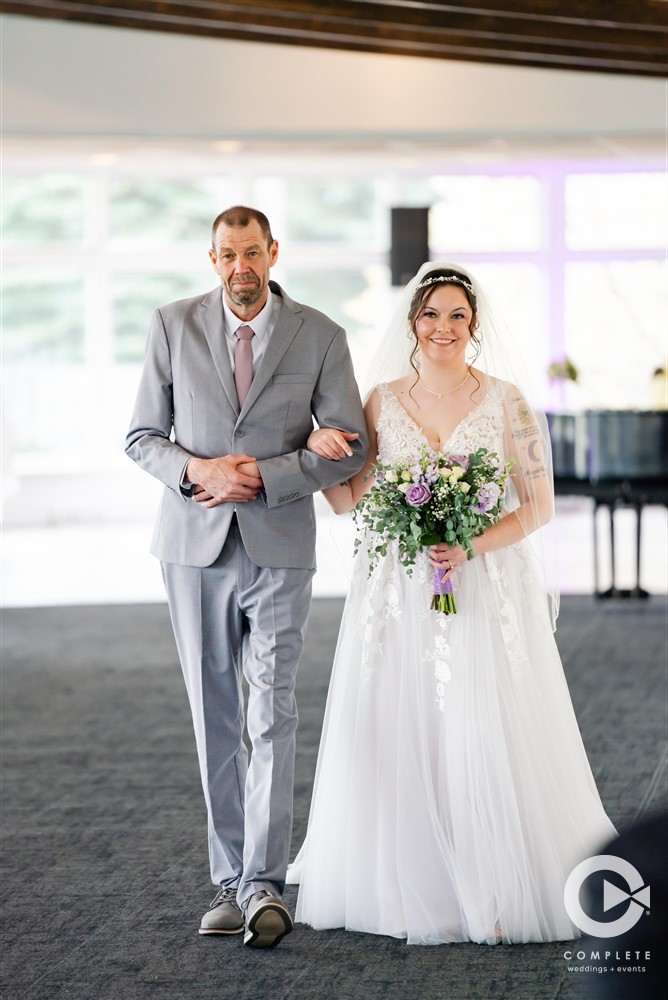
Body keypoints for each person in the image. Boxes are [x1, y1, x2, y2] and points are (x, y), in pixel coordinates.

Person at [287, 262, 616, 945]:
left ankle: (497, 882)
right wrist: (318, 457)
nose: (443, 327)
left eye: (456, 316)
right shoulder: (379, 401)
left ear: (473, 326)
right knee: (408, 722)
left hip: (484, 581)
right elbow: (352, 500)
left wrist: (468, 546)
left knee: (482, 721)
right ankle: (420, 880)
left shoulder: (506, 402)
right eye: (431, 315)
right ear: (413, 323)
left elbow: (539, 507)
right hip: (401, 589)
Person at [125, 205, 367, 948]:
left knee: (274, 712)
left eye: (253, 253)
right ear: (212, 258)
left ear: (272, 253)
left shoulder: (321, 335)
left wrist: (261, 475)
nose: (241, 267)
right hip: (191, 548)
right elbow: (141, 438)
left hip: (279, 545)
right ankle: (229, 882)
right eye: (228, 254)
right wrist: (198, 469)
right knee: (217, 716)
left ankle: (264, 883)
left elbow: (348, 449)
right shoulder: (171, 326)